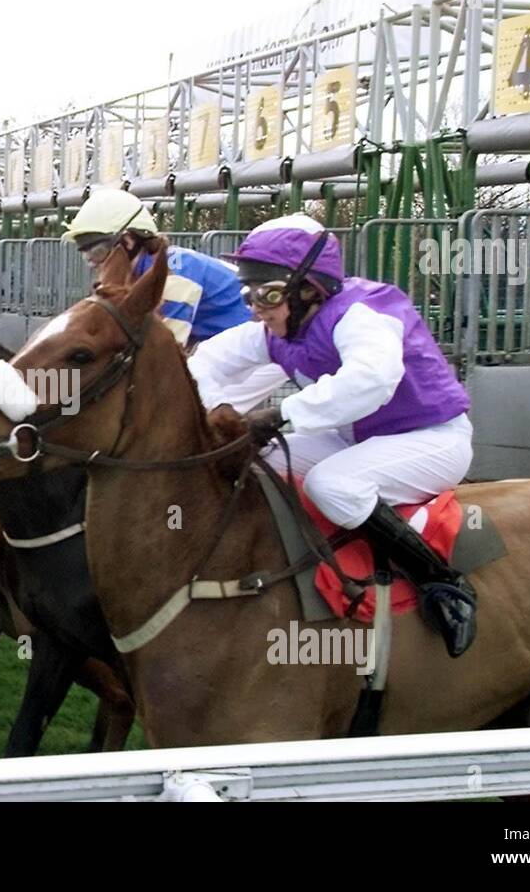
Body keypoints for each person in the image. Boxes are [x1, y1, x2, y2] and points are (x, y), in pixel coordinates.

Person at [188, 214, 477, 657]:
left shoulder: (363, 313)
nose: (256, 309)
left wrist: (283, 412)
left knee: (334, 485)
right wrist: (219, 412)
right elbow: (204, 362)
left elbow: (371, 380)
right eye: (248, 296)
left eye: (267, 294)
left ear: (310, 288)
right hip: (359, 439)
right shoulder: (277, 330)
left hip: (432, 439)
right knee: (256, 459)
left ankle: (442, 581)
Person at [62, 188, 249, 348]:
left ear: (128, 241)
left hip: (259, 338)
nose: (93, 262)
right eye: (85, 254)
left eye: (97, 252)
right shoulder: (143, 271)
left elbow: (166, 347)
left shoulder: (174, 275)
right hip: (232, 341)